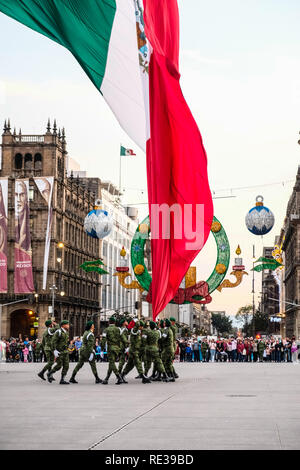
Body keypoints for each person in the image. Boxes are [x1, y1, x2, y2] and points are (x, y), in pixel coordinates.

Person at [121, 320, 151, 384]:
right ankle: (143, 377)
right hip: (134, 350)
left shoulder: (138, 331)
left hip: (135, 350)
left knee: (130, 365)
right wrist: (137, 321)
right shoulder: (134, 330)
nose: (142, 327)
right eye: (141, 326)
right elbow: (136, 326)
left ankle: (122, 375)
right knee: (138, 363)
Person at [101, 316, 126, 385]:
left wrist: (102, 349)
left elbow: (103, 340)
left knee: (111, 363)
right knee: (111, 364)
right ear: (115, 322)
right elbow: (123, 339)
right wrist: (125, 346)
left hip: (110, 348)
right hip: (117, 349)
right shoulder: (119, 329)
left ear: (109, 322)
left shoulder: (106, 330)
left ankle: (119, 377)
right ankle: (106, 379)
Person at [47, 320, 70, 384]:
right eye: (67, 324)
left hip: (65, 351)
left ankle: (62, 379)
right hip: (59, 352)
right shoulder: (58, 332)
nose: (68, 326)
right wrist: (54, 350)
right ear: (63, 325)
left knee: (66, 366)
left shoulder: (66, 332)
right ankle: (50, 373)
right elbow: (53, 342)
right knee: (59, 365)